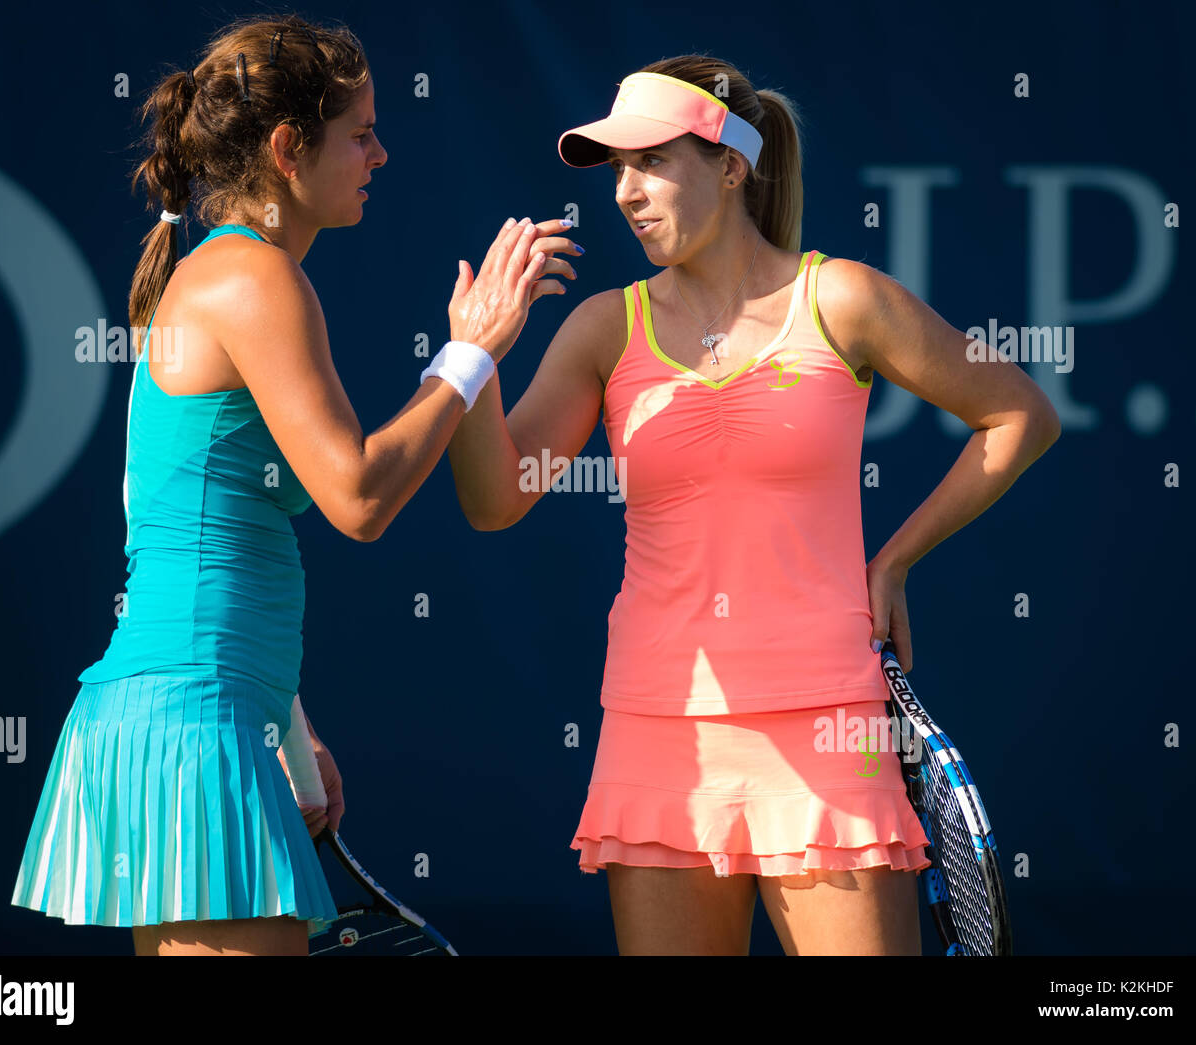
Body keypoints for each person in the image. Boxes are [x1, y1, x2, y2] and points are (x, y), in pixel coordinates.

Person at [444, 56, 1060, 955]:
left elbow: (1019, 415)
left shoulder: (843, 298)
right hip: (658, 736)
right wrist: (474, 359)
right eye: (616, 170)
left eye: (651, 161)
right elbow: (495, 499)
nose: (625, 192)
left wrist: (892, 560)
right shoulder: (604, 328)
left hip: (828, 725)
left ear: (732, 164)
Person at [10, 14, 576, 956]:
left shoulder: (227, 274)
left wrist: (285, 719)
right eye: (361, 132)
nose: (380, 154)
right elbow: (358, 498)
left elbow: (199, 526)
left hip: (202, 714)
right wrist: (472, 353)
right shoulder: (253, 278)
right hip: (192, 721)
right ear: (286, 148)